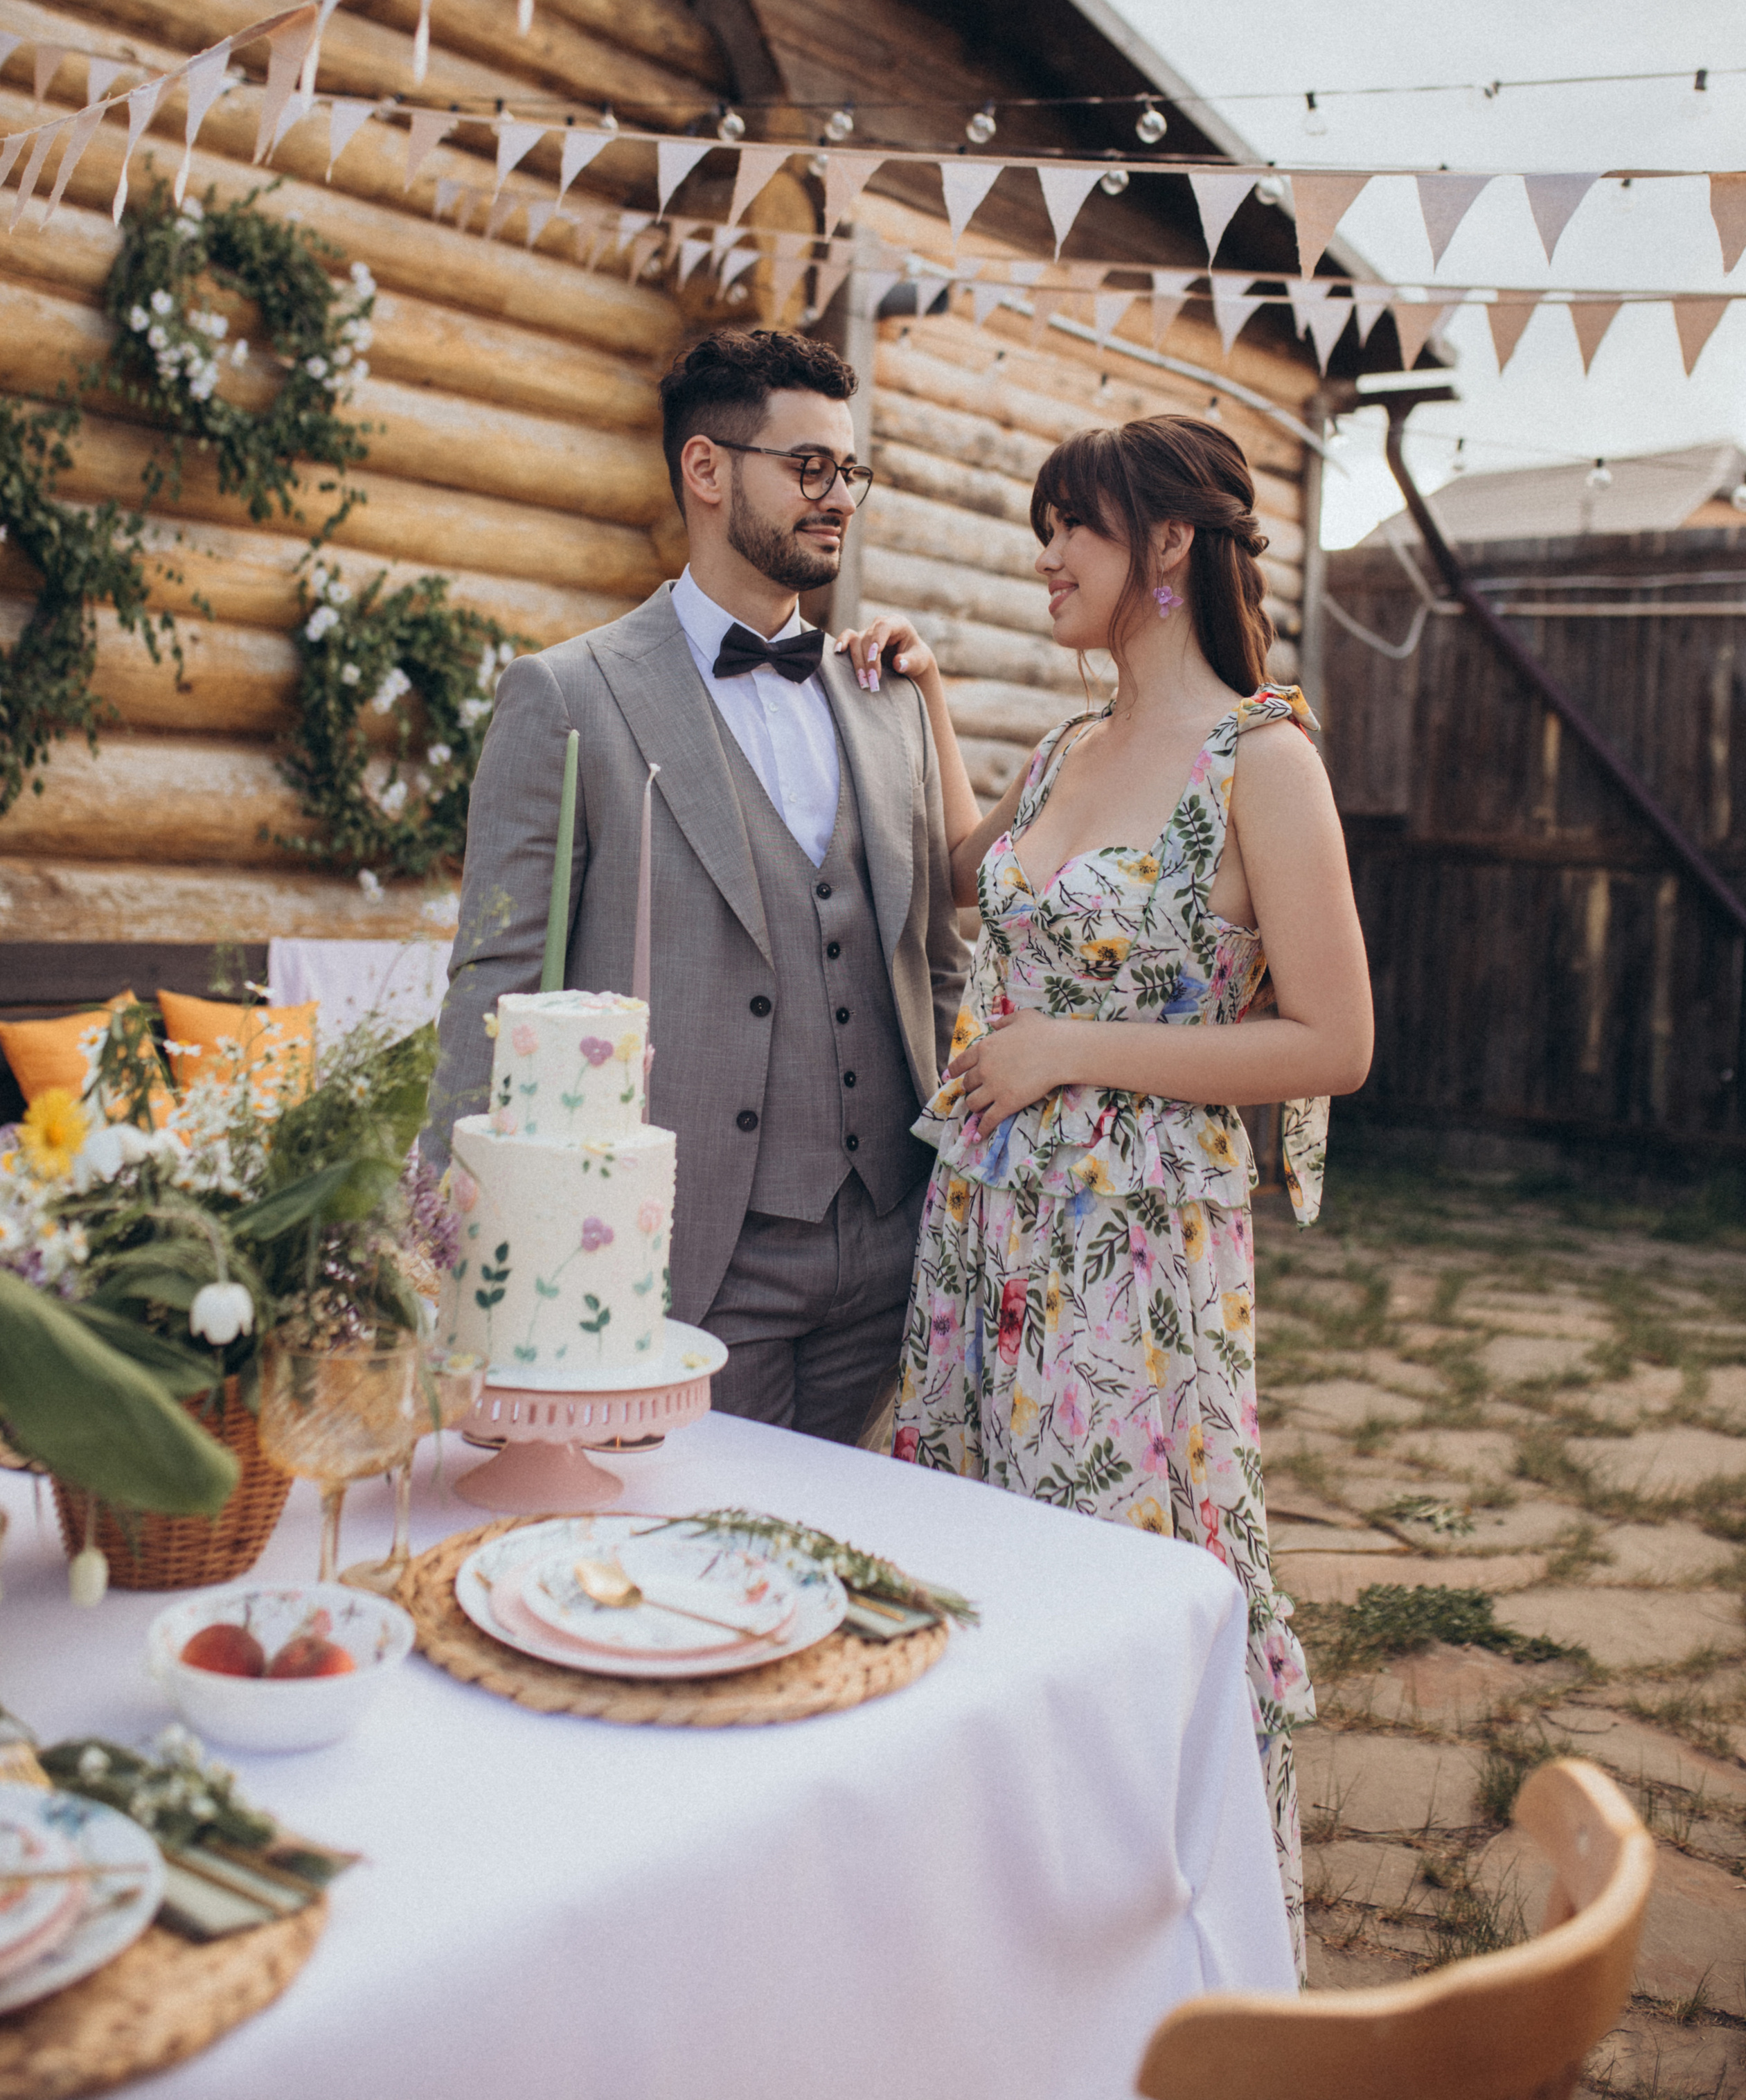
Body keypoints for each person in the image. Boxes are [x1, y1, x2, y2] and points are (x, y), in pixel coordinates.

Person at [878, 412, 1373, 1979]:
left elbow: (1335, 1040)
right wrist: (934, 704)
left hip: (1127, 1264)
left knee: (1103, 1590)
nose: (1044, 557)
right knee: (970, 1582)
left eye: (1067, 529)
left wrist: (1064, 1050)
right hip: (980, 1243)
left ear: (1164, 547)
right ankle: (981, 1947)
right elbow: (974, 870)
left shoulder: (1262, 761)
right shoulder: (1060, 747)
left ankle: (1146, 1966)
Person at [422, 328, 968, 1443]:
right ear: (707, 470)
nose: (838, 498)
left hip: (897, 1254)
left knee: (839, 1566)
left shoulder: (885, 695)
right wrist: (439, 1234)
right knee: (686, 1565)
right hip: (687, 1254)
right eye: (808, 467)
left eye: (849, 471)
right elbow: (498, 977)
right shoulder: (568, 695)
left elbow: (937, 963)